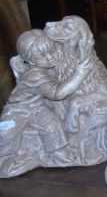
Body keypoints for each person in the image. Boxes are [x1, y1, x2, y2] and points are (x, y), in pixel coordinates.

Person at [0, 29, 92, 159]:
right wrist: (80, 74)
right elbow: (57, 94)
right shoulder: (35, 75)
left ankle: (57, 150)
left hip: (36, 107)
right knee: (6, 135)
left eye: (51, 51)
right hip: (19, 110)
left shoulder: (44, 68)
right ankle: (10, 154)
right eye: (42, 55)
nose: (50, 57)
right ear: (30, 61)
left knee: (51, 122)